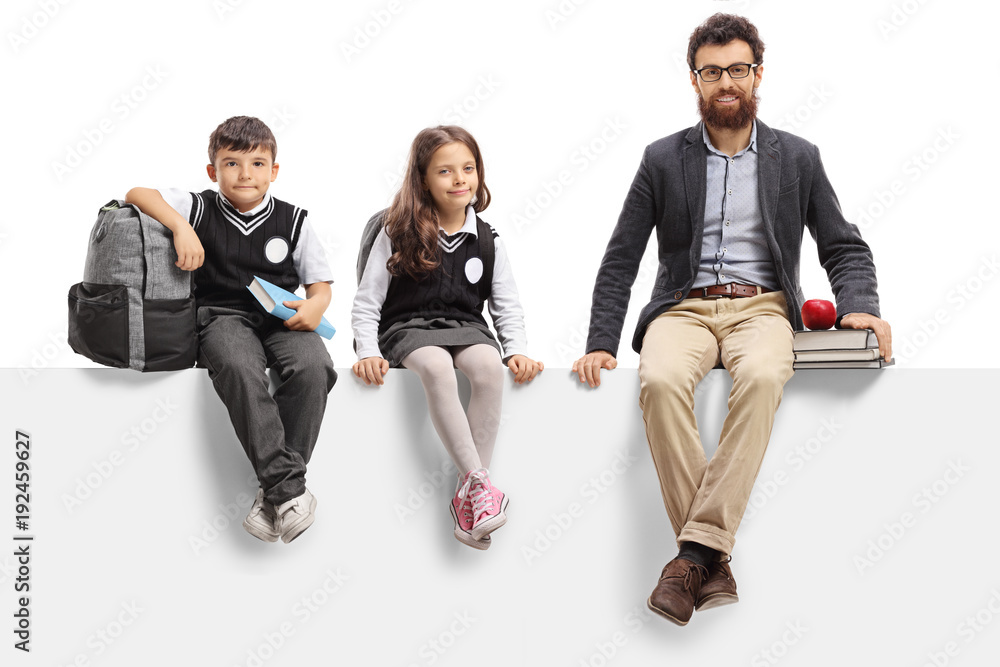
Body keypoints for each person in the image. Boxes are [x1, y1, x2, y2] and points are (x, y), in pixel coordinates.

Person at [572, 14, 892, 625]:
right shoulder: (662, 159)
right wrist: (601, 342)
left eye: (738, 69)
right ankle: (711, 561)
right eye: (712, 71)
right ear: (694, 80)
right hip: (682, 308)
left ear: (758, 74)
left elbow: (843, 245)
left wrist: (860, 308)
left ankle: (692, 555)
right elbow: (622, 256)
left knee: (768, 377)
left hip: (763, 306)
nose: (726, 81)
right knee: (660, 382)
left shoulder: (796, 157)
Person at [125, 116, 337, 544]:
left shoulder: (294, 220)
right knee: (239, 366)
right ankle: (289, 490)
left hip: (283, 318)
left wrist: (316, 306)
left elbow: (320, 285)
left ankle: (273, 492)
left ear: (274, 171)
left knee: (315, 367)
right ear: (213, 171)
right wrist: (181, 226)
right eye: (232, 163)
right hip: (221, 316)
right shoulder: (199, 206)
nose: (246, 174)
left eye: (258, 164)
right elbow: (136, 193)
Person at [352, 125, 543, 550]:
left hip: (466, 326)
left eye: (468, 168)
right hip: (408, 328)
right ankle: (479, 485)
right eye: (445, 171)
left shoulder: (488, 239)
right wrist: (366, 350)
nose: (460, 180)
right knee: (437, 367)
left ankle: (471, 503)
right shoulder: (396, 230)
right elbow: (367, 301)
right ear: (422, 179)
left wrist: (517, 351)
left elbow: (505, 304)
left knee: (487, 368)